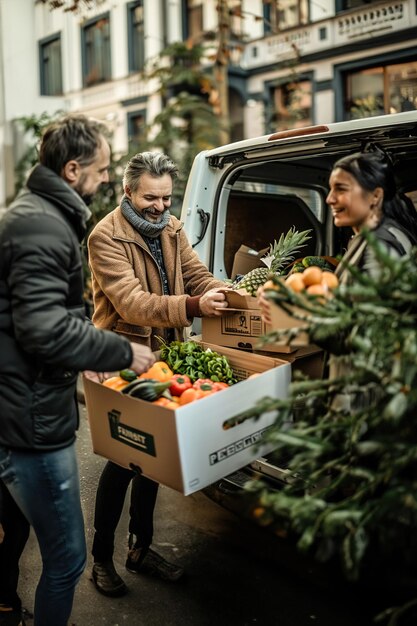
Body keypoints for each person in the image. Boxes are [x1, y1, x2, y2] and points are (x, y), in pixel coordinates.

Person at [0, 114, 155, 626]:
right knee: (67, 559)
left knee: (21, 534)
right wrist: (116, 351)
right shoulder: (43, 224)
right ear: (73, 170)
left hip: (24, 403)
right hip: (31, 424)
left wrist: (81, 357)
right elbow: (44, 329)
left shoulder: (39, 214)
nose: (107, 178)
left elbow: (39, 322)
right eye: (103, 169)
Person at [87, 151, 229, 597]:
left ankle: (140, 548)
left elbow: (195, 275)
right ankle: (101, 559)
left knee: (153, 460)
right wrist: (192, 307)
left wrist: (228, 292)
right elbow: (132, 303)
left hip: (167, 354)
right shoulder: (105, 236)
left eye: (167, 198)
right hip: (124, 359)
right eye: (152, 198)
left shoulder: (171, 228)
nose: (161, 207)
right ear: (128, 191)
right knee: (124, 459)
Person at [258, 149, 417, 407]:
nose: (330, 198)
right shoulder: (382, 236)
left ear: (375, 195)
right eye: (330, 190)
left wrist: (295, 315)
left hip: (369, 403)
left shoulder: (379, 249)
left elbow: (367, 338)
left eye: (341, 189)